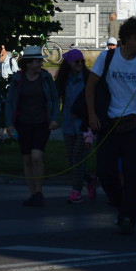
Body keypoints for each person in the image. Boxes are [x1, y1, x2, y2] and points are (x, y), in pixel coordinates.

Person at [85, 16, 136, 234]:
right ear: (126, 38)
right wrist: (92, 114)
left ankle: (128, 215)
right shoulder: (107, 58)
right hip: (109, 122)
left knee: (134, 173)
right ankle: (123, 204)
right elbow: (90, 86)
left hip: (135, 123)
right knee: (106, 172)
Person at [5, 46, 60, 208]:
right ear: (28, 63)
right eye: (37, 61)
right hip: (23, 123)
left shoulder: (45, 77)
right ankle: (32, 193)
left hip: (42, 122)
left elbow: (55, 99)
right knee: (27, 159)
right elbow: (10, 102)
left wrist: (55, 118)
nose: (40, 63)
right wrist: (9, 123)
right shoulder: (18, 79)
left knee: (37, 156)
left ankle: (39, 192)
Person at [56, 48, 95, 204]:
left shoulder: (88, 78)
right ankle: (90, 180)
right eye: (76, 62)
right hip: (67, 124)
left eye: (82, 62)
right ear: (69, 64)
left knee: (79, 158)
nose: (80, 64)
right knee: (72, 161)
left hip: (84, 125)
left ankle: (76, 191)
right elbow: (55, 98)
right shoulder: (63, 80)